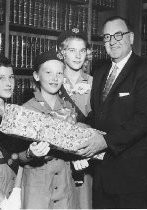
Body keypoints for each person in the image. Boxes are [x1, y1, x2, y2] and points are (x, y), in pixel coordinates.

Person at [75, 16, 147, 209]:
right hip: (102, 173)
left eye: (118, 35)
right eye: (107, 37)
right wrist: (85, 125)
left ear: (130, 38)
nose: (112, 41)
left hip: (133, 176)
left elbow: (145, 118)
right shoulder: (100, 71)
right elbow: (99, 113)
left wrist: (106, 140)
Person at [20, 49, 78, 209]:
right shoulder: (26, 110)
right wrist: (30, 153)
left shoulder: (69, 109)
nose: (55, 78)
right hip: (37, 189)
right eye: (48, 72)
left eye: (59, 73)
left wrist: (80, 157)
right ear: (37, 76)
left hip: (64, 188)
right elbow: (17, 156)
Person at [0, 55, 50, 209]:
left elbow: (19, 157)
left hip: (16, 186)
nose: (8, 83)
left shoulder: (14, 113)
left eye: (11, 77)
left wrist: (16, 192)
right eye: (1, 78)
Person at [57, 28, 93, 209]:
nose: (78, 56)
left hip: (87, 157)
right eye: (72, 50)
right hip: (58, 157)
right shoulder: (53, 81)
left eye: (82, 50)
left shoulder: (95, 82)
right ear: (62, 52)